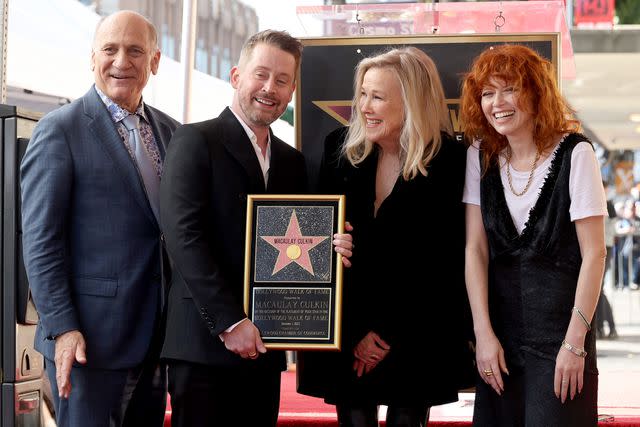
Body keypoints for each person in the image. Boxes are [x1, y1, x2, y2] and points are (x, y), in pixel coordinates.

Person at [159, 29, 353, 427]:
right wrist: (231, 322)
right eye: (260, 75)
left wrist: (333, 244)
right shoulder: (195, 140)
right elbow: (183, 237)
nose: (270, 88)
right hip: (204, 347)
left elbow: (300, 243)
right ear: (236, 77)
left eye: (282, 80)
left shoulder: (292, 162)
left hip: (268, 345)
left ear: (293, 89)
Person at [296, 47, 474, 427]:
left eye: (377, 96)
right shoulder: (338, 150)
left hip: (419, 332)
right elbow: (320, 243)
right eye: (363, 93)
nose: (364, 106)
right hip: (348, 327)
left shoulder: (450, 162)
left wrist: (384, 335)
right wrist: (327, 245)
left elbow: (442, 265)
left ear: (411, 102)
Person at [20, 10, 178, 427]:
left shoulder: (172, 133)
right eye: (110, 49)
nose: (121, 61)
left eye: (135, 50)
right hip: (87, 343)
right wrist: (62, 329)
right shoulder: (60, 130)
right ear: (92, 58)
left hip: (156, 342)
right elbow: (40, 242)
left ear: (155, 62)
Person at [460, 44, 606, 426]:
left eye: (509, 89)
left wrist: (575, 345)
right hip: (500, 344)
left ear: (536, 92)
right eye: (487, 93)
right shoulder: (481, 156)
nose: (497, 102)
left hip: (561, 342)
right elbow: (475, 249)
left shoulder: (577, 154)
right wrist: (483, 335)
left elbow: (595, 255)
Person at [596, 182, 618, 339]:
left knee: (598, 291)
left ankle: (606, 328)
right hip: (602, 248)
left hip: (605, 248)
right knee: (599, 291)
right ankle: (605, 328)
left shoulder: (607, 204)